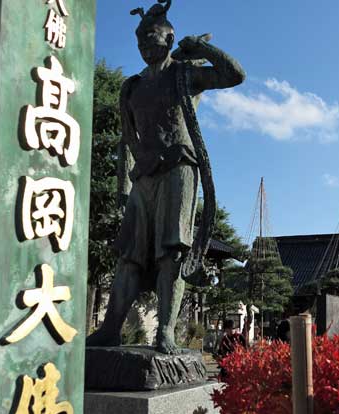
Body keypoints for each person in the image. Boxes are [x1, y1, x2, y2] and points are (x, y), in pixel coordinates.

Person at [86, 0, 245, 354]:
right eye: (139, 38)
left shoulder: (185, 75)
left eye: (151, 36)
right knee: (128, 256)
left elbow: (235, 74)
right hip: (143, 178)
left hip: (178, 171)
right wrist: (122, 189)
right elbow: (127, 142)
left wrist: (201, 48)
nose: (144, 44)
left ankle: (166, 332)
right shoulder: (131, 87)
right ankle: (111, 328)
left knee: (171, 252)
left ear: (170, 37)